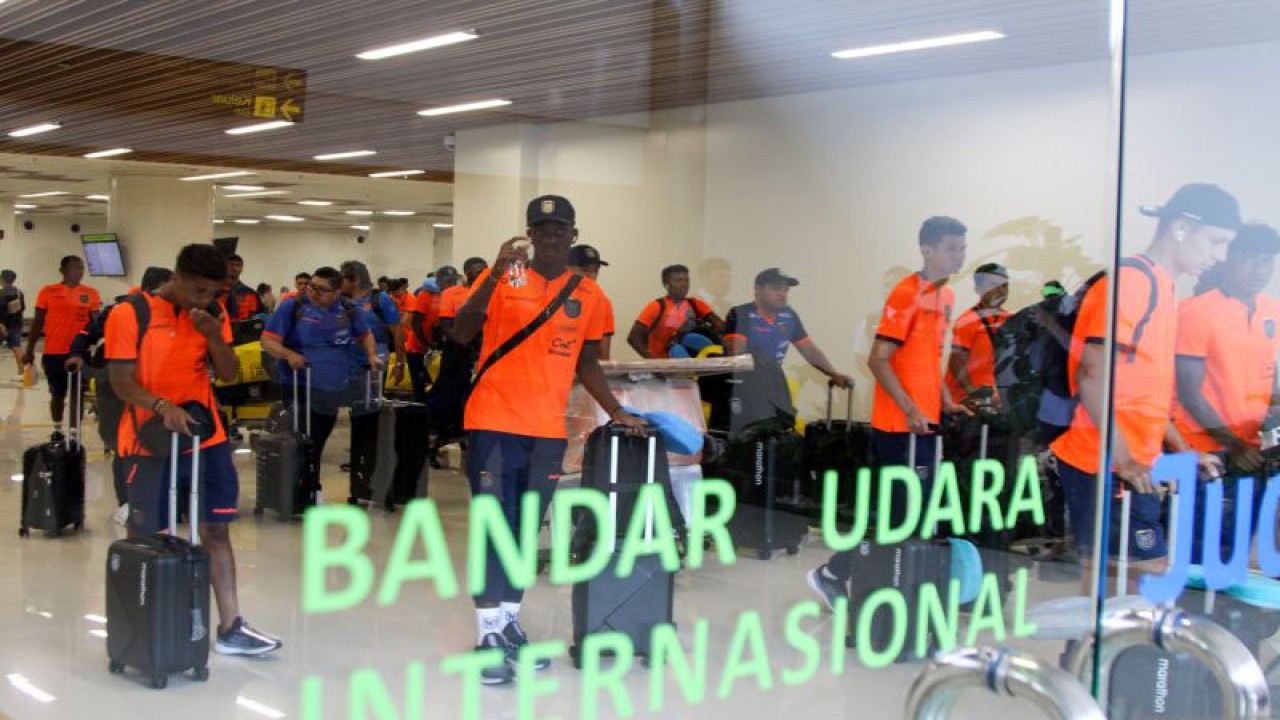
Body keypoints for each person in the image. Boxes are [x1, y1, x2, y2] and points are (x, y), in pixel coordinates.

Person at [450, 194, 645, 685]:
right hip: (494, 420)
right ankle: (487, 635)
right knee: (495, 527)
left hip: (545, 430)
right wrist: (494, 274)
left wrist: (618, 410)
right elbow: (461, 331)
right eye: (542, 230)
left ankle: (508, 624)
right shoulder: (507, 277)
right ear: (529, 235)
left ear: (573, 235)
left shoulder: (590, 293)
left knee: (523, 531)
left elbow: (586, 360)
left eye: (560, 230)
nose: (551, 237)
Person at [1050, 184, 1235, 592]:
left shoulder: (1164, 287)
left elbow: (1141, 392)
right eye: (1216, 242)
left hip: (1129, 463)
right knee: (1137, 579)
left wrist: (1183, 448)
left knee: (1111, 584)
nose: (1219, 256)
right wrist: (1126, 459)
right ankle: (1093, 654)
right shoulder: (1133, 283)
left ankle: (1083, 655)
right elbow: (1092, 375)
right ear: (1182, 228)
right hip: (1107, 463)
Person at [106, 243, 281, 655]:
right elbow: (120, 380)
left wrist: (212, 336)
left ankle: (231, 626)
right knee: (148, 535)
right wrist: (161, 406)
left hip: (206, 439)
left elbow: (227, 372)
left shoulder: (211, 316)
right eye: (198, 290)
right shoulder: (130, 314)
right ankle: (142, 626)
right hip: (149, 442)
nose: (204, 299)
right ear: (177, 277)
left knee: (216, 530)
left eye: (213, 292)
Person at [807, 216, 969, 609]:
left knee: (917, 510)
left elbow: (930, 359)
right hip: (900, 425)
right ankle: (833, 573)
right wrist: (911, 408)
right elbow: (880, 361)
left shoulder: (944, 296)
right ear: (927, 250)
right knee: (901, 512)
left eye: (962, 248)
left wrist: (945, 398)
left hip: (926, 420)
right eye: (952, 248)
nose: (959, 255)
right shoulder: (906, 294)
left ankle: (895, 584)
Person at [1173, 223, 1280, 562]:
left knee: (1234, 549)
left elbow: (1268, 372)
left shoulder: (1270, 310)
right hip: (1206, 453)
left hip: (1251, 451)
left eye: (1267, 261)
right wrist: (1231, 445)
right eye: (1248, 259)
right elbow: (1189, 391)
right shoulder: (1196, 312)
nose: (1259, 270)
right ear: (1225, 259)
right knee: (1200, 553)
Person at [261, 267, 383, 495]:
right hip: (299, 384)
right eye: (312, 287)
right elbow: (267, 341)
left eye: (322, 290)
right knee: (304, 438)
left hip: (332, 387)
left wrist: (371, 354)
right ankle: (305, 489)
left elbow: (365, 334)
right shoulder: (293, 307)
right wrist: (289, 355)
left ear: (336, 292)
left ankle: (310, 486)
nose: (314, 293)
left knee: (318, 438)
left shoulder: (348, 309)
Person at [70, 266, 172, 526]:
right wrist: (76, 354)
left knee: (147, 447)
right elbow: (87, 332)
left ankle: (153, 502)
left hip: (148, 388)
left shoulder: (171, 313)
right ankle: (126, 503)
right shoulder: (126, 310)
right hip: (116, 388)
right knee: (122, 446)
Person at [720, 268, 851, 433]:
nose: (782, 294)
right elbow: (735, 353)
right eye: (775, 288)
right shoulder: (741, 313)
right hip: (742, 387)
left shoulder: (789, 315)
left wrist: (834, 374)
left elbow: (809, 350)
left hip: (772, 384)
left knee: (779, 432)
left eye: (785, 289)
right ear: (758, 290)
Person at [338, 261, 403, 505]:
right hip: (349, 365)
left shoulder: (380, 300)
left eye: (343, 277)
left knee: (371, 416)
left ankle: (371, 469)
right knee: (357, 417)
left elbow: (397, 330)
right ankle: (359, 467)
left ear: (354, 279)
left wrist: (399, 363)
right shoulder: (342, 302)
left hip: (374, 365)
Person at [23, 256, 101, 434]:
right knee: (57, 394)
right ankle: (57, 429)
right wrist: (29, 350)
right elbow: (37, 322)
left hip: (80, 354)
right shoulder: (48, 291)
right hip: (53, 353)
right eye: (74, 268)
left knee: (78, 394)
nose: (79, 272)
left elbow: (96, 322)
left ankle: (74, 433)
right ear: (62, 271)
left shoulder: (91, 293)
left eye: (81, 268)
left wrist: (94, 342)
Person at [945, 262, 1012, 405]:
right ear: (978, 288)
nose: (1001, 291)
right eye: (994, 285)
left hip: (995, 402)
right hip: (967, 404)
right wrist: (972, 392)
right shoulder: (967, 321)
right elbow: (956, 360)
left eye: (1004, 286)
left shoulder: (1011, 320)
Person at [628, 263, 725, 359]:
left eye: (687, 280)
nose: (684, 284)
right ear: (666, 284)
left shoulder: (695, 304)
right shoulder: (657, 306)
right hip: (664, 366)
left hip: (693, 365)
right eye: (678, 281)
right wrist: (652, 362)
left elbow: (720, 325)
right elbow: (633, 338)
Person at [567, 245, 617, 359]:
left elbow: (603, 356)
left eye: (595, 271)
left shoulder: (603, 302)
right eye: (584, 270)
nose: (591, 276)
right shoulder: (548, 295)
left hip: (582, 370)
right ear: (566, 268)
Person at [219, 254, 262, 322]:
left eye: (238, 265)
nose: (234, 268)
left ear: (242, 269)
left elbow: (254, 317)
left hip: (241, 329)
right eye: (231, 264)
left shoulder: (250, 293)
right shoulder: (215, 290)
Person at [0, 269, 26, 379]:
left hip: (3, 325)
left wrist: (1, 324)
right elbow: (23, 308)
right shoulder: (18, 292)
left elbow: (1, 311)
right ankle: (22, 373)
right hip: (16, 324)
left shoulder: (1, 293)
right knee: (17, 347)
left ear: (2, 280)